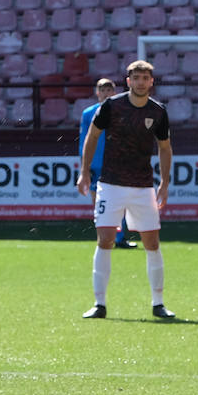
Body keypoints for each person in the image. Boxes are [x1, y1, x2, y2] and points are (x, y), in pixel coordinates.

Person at [76, 60, 174, 319]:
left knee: (152, 242)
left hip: (143, 186)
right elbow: (93, 136)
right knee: (105, 239)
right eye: (136, 77)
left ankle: (158, 303)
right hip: (110, 184)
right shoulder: (111, 106)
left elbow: (165, 148)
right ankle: (99, 304)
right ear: (128, 81)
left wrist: (164, 182)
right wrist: (84, 172)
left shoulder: (158, 112)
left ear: (151, 82)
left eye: (145, 78)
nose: (141, 82)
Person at [78, 77, 136, 249]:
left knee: (120, 202)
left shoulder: (122, 112)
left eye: (108, 90)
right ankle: (103, 238)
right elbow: (84, 141)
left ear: (113, 92)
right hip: (96, 165)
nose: (105, 93)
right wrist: (85, 168)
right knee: (99, 204)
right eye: (102, 90)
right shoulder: (89, 114)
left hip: (117, 163)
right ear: (97, 93)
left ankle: (119, 238)